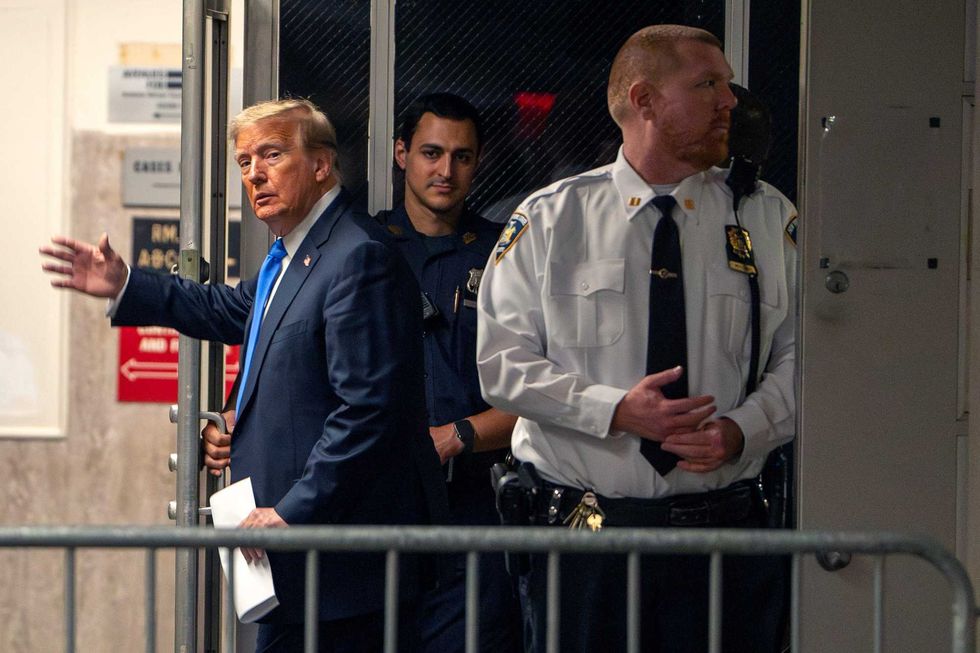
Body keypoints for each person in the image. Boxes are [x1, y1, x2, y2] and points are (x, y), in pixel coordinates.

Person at [40, 98, 447, 652]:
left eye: (272, 155)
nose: (254, 174)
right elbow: (233, 311)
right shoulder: (292, 254)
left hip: (338, 566)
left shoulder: (356, 257)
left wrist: (291, 511)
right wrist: (127, 285)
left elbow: (369, 412)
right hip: (292, 560)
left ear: (322, 165)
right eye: (244, 161)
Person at [476, 24, 797, 653]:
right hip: (585, 542)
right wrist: (618, 411)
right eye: (708, 84)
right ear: (645, 100)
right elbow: (502, 367)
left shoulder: (764, 215)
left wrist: (743, 429)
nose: (730, 101)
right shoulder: (551, 218)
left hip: (723, 543)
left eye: (728, 85)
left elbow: (801, 359)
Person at [378, 92, 522, 653]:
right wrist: (232, 414)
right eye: (431, 152)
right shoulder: (361, 250)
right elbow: (302, 357)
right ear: (400, 154)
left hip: (475, 509)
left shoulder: (506, 255)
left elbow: (542, 388)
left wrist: (459, 435)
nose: (445, 170)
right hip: (376, 508)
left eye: (462, 156)